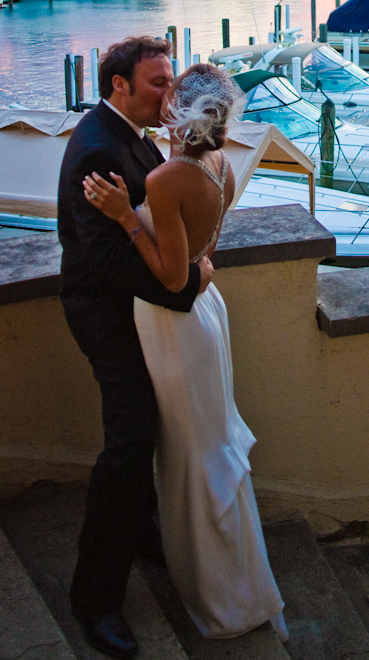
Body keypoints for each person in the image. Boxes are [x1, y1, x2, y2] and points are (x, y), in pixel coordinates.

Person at [81, 62, 287, 645]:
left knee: (193, 455)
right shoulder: (218, 163)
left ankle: (220, 593)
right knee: (210, 442)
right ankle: (232, 575)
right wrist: (197, 264)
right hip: (206, 314)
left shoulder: (169, 177)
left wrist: (125, 217)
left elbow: (172, 278)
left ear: (180, 111)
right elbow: (204, 251)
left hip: (174, 322)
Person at [58, 37, 212, 659]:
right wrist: (189, 284)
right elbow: (112, 261)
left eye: (171, 80)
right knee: (128, 442)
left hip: (136, 309)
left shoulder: (134, 134)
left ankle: (145, 532)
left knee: (152, 428)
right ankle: (95, 598)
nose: (168, 95)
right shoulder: (99, 147)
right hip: (107, 317)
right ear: (118, 84)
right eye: (157, 83)